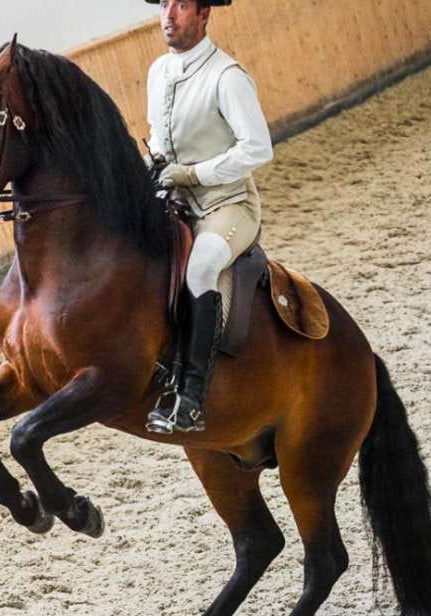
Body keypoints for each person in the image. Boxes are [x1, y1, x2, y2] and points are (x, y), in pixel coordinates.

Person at [143, 0, 273, 434]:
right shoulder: (158, 72)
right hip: (176, 200)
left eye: (181, 5)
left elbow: (257, 148)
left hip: (227, 205)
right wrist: (155, 165)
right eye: (164, 4)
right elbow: (159, 137)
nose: (169, 15)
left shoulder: (227, 77)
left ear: (203, 15)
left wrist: (195, 173)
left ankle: (192, 398)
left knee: (200, 269)